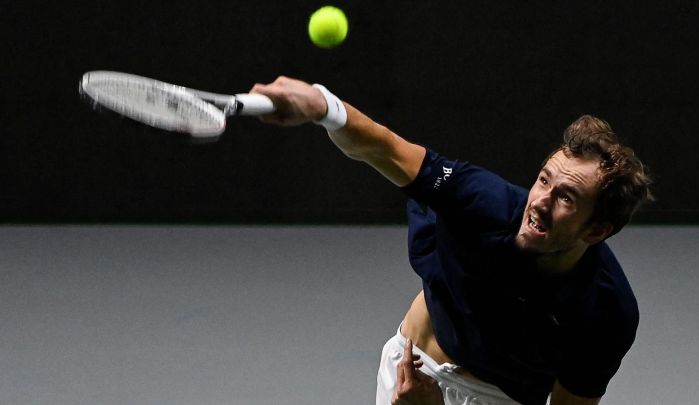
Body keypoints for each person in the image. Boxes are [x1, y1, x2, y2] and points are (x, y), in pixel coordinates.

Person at [249, 76, 653, 405]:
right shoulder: (484, 202)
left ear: (597, 230)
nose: (540, 201)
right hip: (413, 367)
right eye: (544, 179)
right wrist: (322, 106)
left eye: (566, 197)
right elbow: (385, 149)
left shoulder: (607, 311)